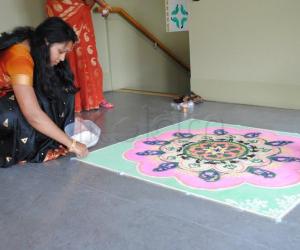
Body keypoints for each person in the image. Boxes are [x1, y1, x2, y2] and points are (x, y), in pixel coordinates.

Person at [0, 17, 89, 168]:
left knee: (62, 90)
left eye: (65, 53)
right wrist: (71, 143)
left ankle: (53, 136)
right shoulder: (20, 57)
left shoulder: (36, 47)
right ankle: (33, 148)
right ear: (46, 42)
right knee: (15, 112)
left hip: (10, 92)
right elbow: (32, 113)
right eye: (60, 51)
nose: (62, 58)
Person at [46, 0, 114, 112]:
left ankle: (96, 97)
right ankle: (71, 102)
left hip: (79, 13)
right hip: (58, 10)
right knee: (63, 57)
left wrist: (103, 5)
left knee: (86, 55)